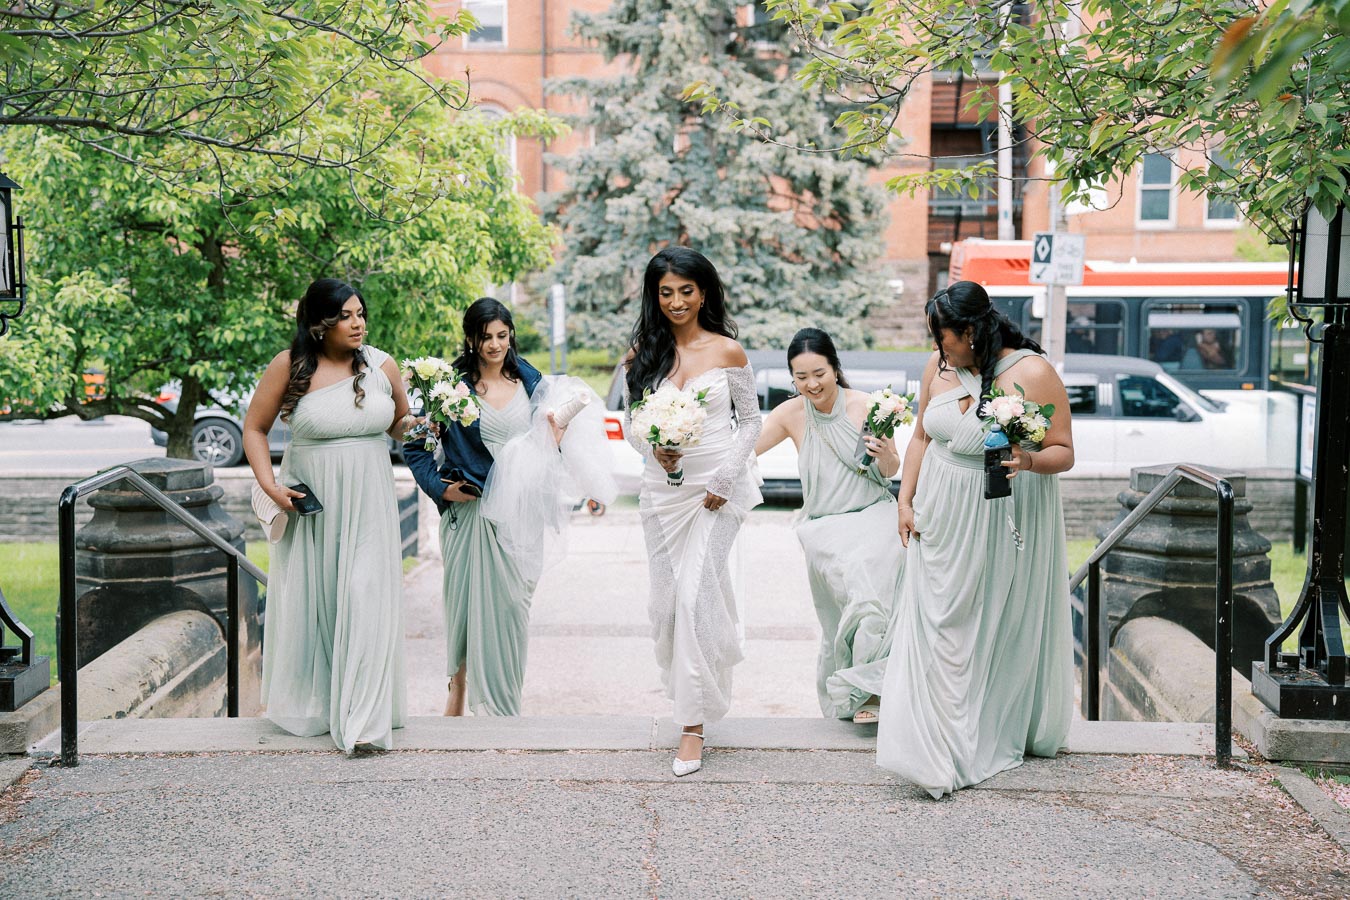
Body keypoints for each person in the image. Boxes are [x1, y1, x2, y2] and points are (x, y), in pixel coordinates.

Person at [877, 280, 1075, 798]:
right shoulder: (937, 368)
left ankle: (969, 737)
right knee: (935, 622)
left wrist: (1027, 459)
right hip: (939, 509)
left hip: (995, 511)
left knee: (979, 623)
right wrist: (905, 499)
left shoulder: (1031, 371)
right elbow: (921, 434)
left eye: (946, 339)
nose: (940, 350)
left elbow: (1064, 451)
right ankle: (928, 739)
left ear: (971, 330)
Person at [245, 277, 412, 753]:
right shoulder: (291, 366)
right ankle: (326, 703)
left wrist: (420, 423)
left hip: (370, 500)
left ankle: (363, 722)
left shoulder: (382, 365)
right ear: (320, 324)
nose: (357, 323)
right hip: (315, 500)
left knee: (365, 595)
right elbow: (255, 429)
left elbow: (399, 424)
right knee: (322, 606)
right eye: (346, 316)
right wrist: (269, 485)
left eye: (360, 313)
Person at [624, 247, 762, 776]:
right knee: (665, 607)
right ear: (654, 296)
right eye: (666, 292)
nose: (677, 302)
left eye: (686, 290)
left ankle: (692, 727)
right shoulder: (644, 354)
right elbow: (635, 420)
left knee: (694, 597)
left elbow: (750, 422)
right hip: (661, 495)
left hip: (716, 493)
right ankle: (691, 692)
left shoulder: (729, 351)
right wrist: (652, 449)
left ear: (704, 292)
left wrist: (726, 477)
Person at [404, 298, 562, 717]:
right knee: (465, 605)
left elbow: (548, 452)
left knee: (511, 608)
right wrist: (441, 489)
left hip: (518, 515)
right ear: (471, 339)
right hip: (469, 514)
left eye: (502, 336)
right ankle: (457, 688)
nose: (494, 345)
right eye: (485, 337)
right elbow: (415, 447)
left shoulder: (533, 383)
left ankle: (504, 706)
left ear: (511, 335)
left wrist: (555, 443)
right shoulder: (448, 386)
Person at [754, 328, 904, 723]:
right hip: (825, 525)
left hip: (874, 512)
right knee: (850, 598)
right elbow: (743, 450)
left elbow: (890, 471)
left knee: (873, 591)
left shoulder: (868, 406)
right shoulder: (789, 413)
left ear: (835, 368)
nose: (811, 384)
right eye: (800, 377)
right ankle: (855, 689)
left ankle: (871, 691)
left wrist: (886, 451)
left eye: (819, 373)